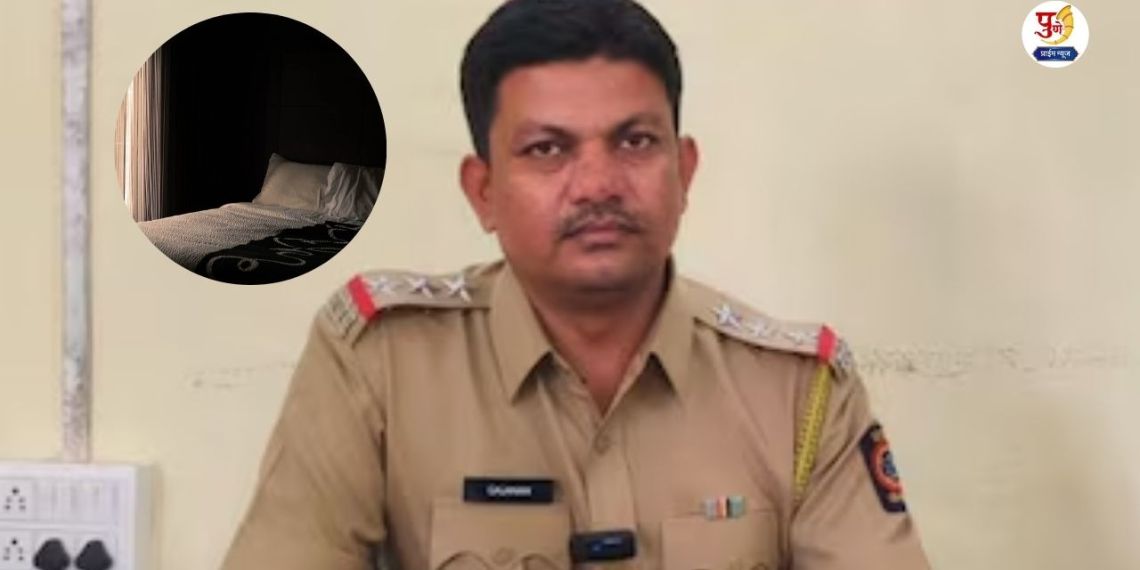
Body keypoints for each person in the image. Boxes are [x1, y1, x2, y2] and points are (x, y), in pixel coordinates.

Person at [222, 0, 930, 568]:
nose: (597, 184)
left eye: (634, 141)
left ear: (683, 171)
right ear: (483, 191)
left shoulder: (798, 392)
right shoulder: (382, 362)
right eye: (548, 149)